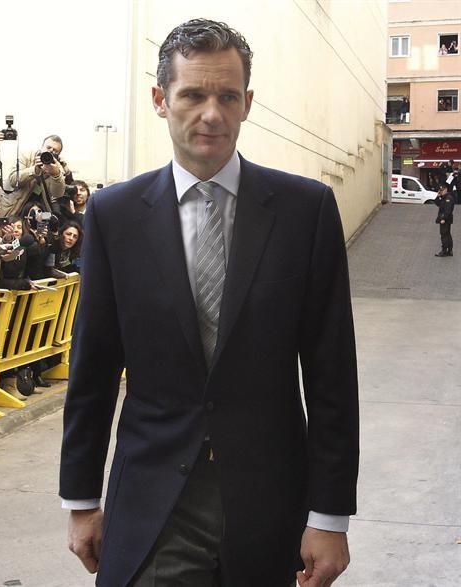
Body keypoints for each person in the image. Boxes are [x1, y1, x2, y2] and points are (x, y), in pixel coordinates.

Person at [61, 19, 359, 587]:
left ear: (248, 102)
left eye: (228, 96)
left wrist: (329, 516)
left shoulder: (305, 212)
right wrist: (80, 499)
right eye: (193, 95)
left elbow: (331, 377)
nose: (212, 114)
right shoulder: (115, 216)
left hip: (268, 499)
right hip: (153, 501)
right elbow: (92, 367)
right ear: (161, 100)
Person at [433, 185, 454, 257]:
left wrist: (443, 219)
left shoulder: (448, 199)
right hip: (446, 219)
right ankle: (450, 251)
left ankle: (444, 251)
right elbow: (437, 203)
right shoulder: (443, 198)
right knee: (447, 234)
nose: (441, 192)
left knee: (444, 235)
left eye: (442, 190)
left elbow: (447, 211)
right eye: (440, 190)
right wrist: (438, 196)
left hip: (446, 220)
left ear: (446, 190)